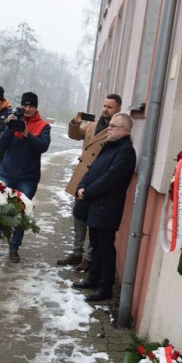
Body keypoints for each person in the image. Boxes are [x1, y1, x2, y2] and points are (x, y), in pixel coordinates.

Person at [72, 112, 136, 302]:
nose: (109, 128)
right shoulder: (109, 147)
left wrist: (88, 191)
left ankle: (105, 287)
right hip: (95, 204)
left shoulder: (126, 152)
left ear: (124, 130)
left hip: (108, 207)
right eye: (110, 125)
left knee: (106, 248)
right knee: (96, 245)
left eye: (113, 126)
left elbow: (110, 179)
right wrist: (81, 185)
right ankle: (93, 279)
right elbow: (91, 169)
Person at [57, 94, 122, 272]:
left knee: (92, 220)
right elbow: (75, 135)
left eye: (109, 107)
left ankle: (89, 258)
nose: (105, 109)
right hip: (83, 177)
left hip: (97, 179)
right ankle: (76, 252)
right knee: (78, 215)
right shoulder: (93, 124)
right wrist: (75, 122)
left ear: (118, 109)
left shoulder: (116, 130)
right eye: (104, 105)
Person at [0, 91, 51, 263]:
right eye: (25, 105)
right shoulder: (13, 120)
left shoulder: (43, 126)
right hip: (7, 173)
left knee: (21, 213)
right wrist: (9, 127)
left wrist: (27, 133)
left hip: (27, 178)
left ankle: (14, 248)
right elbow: (2, 145)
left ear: (36, 107)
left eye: (31, 106)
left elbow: (43, 147)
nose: (27, 109)